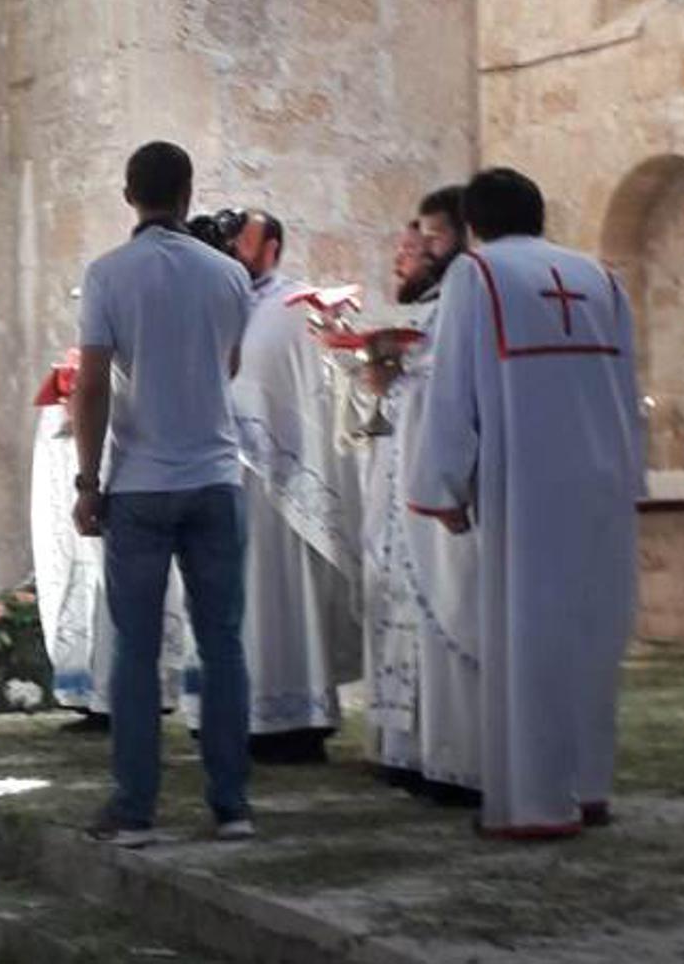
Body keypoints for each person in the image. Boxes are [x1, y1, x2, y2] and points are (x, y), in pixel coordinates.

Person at [405, 168, 644, 839]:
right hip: (602, 482)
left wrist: (442, 486)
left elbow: (451, 388)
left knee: (528, 640)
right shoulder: (599, 277)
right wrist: (632, 475)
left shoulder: (476, 275)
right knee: (593, 638)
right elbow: (627, 387)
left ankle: (536, 804)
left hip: (528, 486)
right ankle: (589, 786)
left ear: (475, 225)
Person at [72, 140, 254, 847]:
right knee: (223, 644)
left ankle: (135, 809)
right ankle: (231, 806)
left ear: (129, 196)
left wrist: (88, 482)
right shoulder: (229, 274)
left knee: (136, 649)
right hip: (215, 476)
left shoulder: (108, 274)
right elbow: (227, 365)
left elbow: (91, 384)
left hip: (142, 482)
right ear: (187, 194)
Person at [190, 210, 361, 764]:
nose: (233, 249)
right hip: (223, 472)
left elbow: (313, 392)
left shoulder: (295, 305)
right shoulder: (217, 299)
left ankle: (296, 718)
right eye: (230, 240)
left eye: (244, 241)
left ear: (272, 249)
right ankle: (228, 714)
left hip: (283, 487)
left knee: (282, 597)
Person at [360, 191, 481, 805]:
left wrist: (399, 383)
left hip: (442, 494)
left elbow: (453, 398)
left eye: (432, 237)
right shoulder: (436, 311)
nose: (420, 248)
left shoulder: (466, 300)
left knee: (449, 616)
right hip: (406, 492)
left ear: (464, 235)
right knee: (407, 619)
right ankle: (409, 751)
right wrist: (387, 381)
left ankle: (456, 760)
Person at [30, 349, 191, 729]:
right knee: (93, 599)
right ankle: (97, 695)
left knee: (121, 602)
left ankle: (127, 698)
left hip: (128, 506)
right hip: (95, 518)